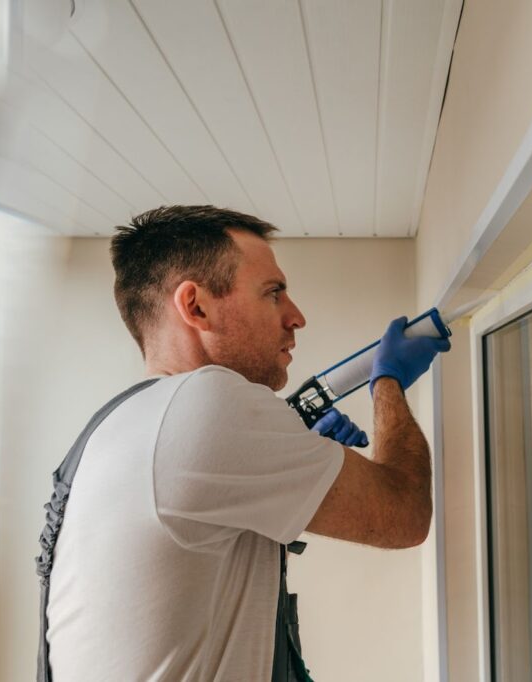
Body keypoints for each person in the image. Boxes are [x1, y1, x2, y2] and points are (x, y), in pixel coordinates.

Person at [40, 205, 450, 680]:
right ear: (195, 306)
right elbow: (404, 514)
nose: (297, 317)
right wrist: (389, 382)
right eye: (273, 293)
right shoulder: (209, 403)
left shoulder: (121, 421)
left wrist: (294, 449)